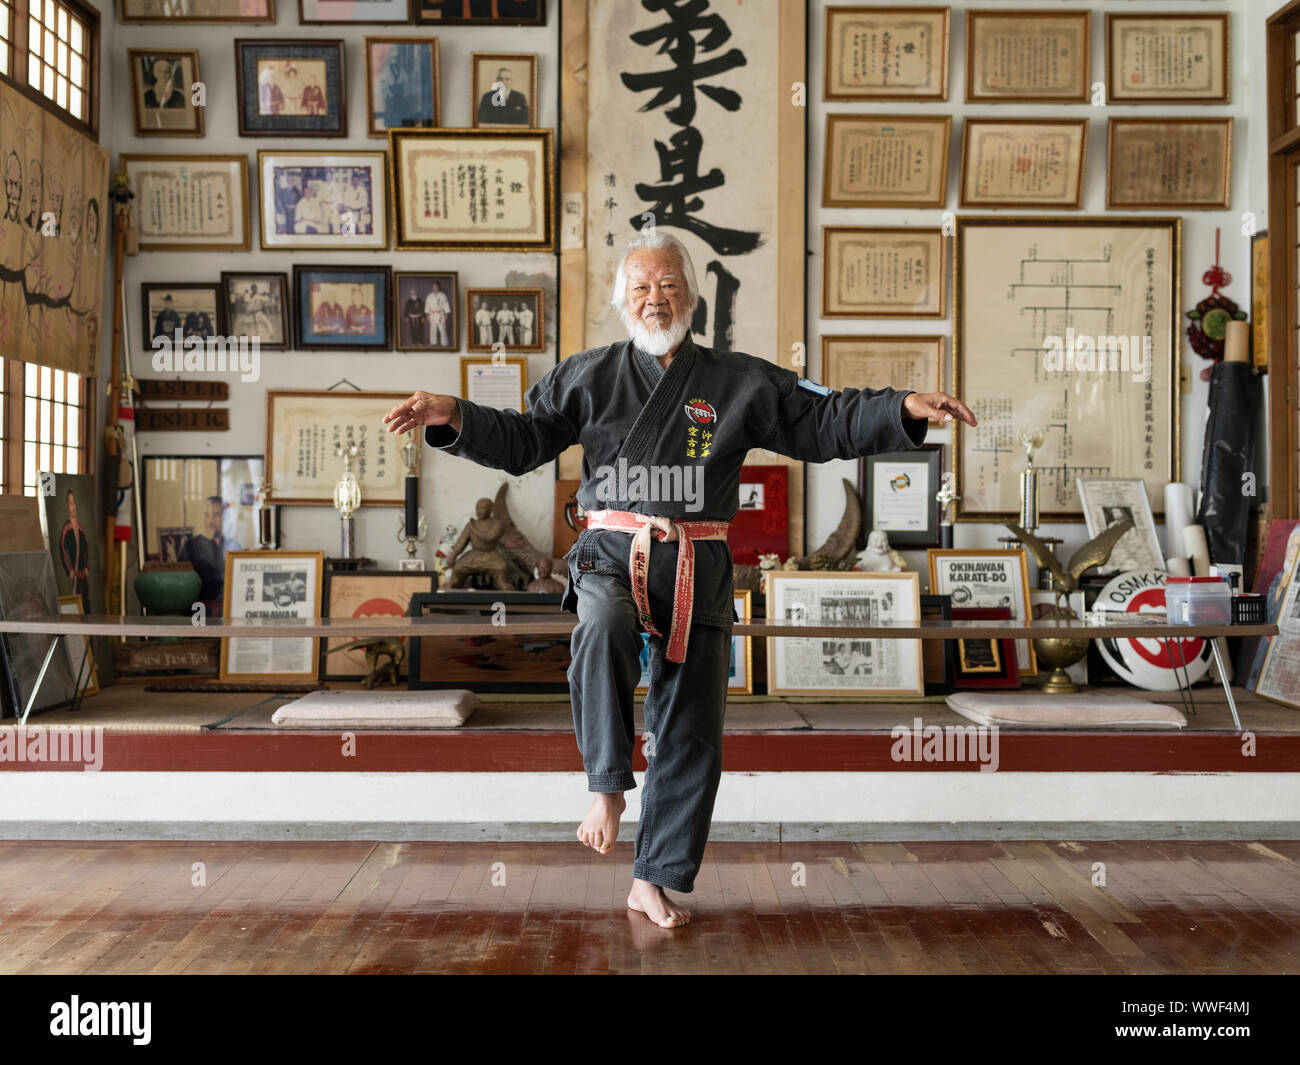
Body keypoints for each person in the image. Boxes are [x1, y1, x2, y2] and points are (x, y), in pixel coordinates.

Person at [382, 230, 977, 929]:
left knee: (692, 728)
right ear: (621, 300)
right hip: (612, 553)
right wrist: (455, 416)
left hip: (701, 563)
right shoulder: (588, 374)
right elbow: (523, 438)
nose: (654, 298)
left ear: (691, 296)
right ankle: (606, 786)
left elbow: (821, 419)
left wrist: (901, 409)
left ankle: (652, 877)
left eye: (667, 284)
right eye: (640, 286)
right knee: (599, 626)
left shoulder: (740, 380)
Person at [180, 496, 241, 616]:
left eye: (216, 515)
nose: (211, 521)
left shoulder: (233, 547)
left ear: (225, 517)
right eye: (207, 515)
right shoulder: (192, 545)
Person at [58, 489, 91, 612]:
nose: (73, 506)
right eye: (70, 503)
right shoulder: (66, 528)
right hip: (74, 575)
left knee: (86, 602)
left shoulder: (81, 529)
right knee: (75, 605)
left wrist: (87, 567)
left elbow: (87, 547)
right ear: (67, 505)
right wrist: (69, 570)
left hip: (83, 575)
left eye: (74, 503)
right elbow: (61, 547)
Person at [424, 281, 451, 347]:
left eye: (436, 286)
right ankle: (433, 343)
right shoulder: (429, 296)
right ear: (432, 288)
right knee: (433, 329)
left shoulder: (442, 295)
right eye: (433, 287)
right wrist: (427, 314)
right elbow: (427, 305)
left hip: (440, 314)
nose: (434, 288)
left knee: (442, 329)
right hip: (432, 314)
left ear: (438, 287)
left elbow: (445, 304)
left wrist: (446, 314)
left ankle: (444, 343)